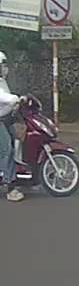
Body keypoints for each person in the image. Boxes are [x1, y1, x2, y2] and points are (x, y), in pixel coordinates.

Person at [0, 52, 25, 202]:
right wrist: (15, 99)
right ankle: (10, 187)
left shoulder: (2, 81)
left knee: (17, 143)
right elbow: (3, 97)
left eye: (5, 65)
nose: (5, 68)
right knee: (7, 150)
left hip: (5, 118)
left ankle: (16, 174)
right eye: (2, 65)